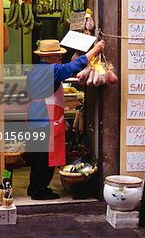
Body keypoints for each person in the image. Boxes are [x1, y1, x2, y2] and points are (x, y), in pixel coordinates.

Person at [25, 39, 105, 200]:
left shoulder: (37, 69)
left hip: (36, 117)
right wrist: (95, 50)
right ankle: (39, 191)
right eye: (58, 55)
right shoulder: (51, 70)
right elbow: (72, 67)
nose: (60, 58)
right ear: (48, 57)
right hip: (44, 118)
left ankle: (33, 187)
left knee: (37, 157)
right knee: (44, 158)